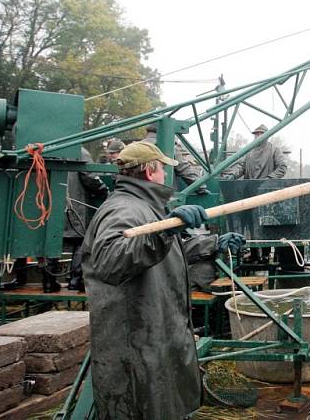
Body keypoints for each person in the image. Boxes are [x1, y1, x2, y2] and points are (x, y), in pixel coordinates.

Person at [81, 141, 245, 419]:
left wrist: (213, 244)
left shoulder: (145, 207)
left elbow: (164, 252)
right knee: (140, 405)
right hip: (135, 339)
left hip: (155, 329)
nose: (165, 176)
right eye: (162, 170)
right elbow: (111, 262)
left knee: (165, 401)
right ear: (149, 172)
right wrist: (164, 233)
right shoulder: (124, 210)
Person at [64, 147, 109, 292]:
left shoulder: (47, 148)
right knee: (80, 240)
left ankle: (48, 282)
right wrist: (103, 189)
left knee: (49, 240)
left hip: (50, 204)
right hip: (75, 202)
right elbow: (89, 176)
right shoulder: (79, 151)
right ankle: (75, 280)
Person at [143, 124, 207, 192]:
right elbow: (183, 168)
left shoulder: (137, 146)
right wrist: (200, 187)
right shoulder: (169, 146)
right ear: (167, 131)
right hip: (162, 195)